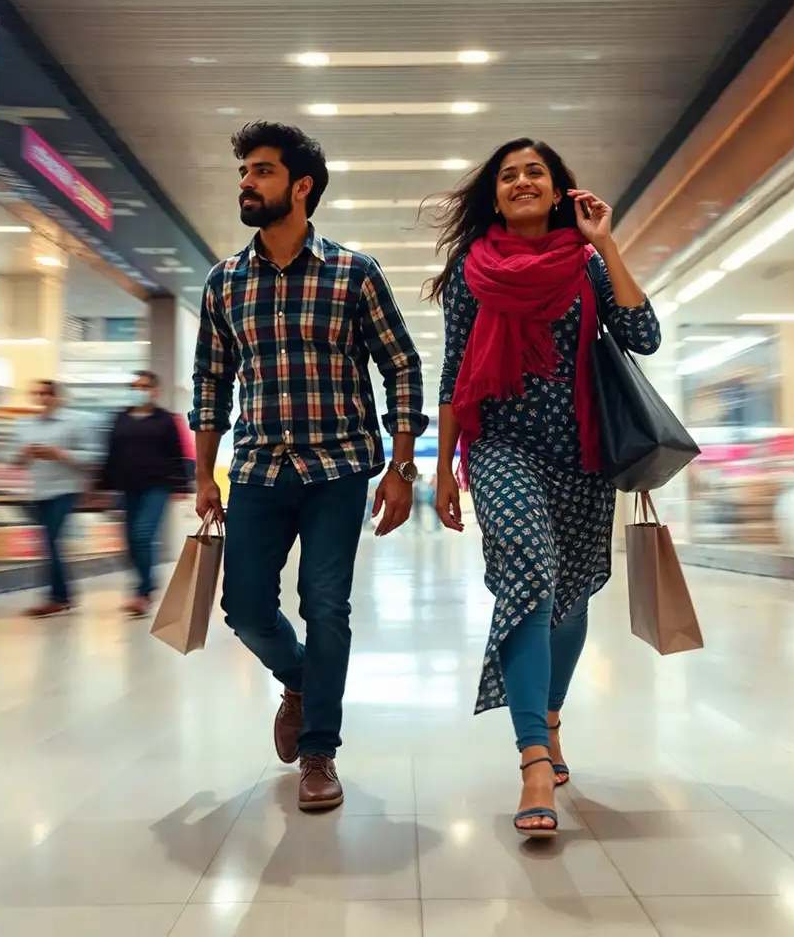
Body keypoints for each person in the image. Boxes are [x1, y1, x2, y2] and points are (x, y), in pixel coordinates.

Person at [191, 121, 427, 812]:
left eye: (261, 171)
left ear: (301, 187)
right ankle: (299, 680)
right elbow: (210, 381)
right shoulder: (225, 281)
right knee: (244, 609)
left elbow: (401, 365)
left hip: (338, 468)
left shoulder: (354, 273)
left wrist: (402, 468)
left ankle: (319, 749)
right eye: (243, 172)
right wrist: (203, 474)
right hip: (257, 470)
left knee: (326, 606)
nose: (246, 183)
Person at [430, 139, 661, 837]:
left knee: (572, 593)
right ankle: (533, 756)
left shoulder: (587, 263)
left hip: (583, 453)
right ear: (496, 196)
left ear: (559, 191)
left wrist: (606, 242)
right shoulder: (471, 271)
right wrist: (443, 470)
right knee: (530, 574)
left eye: (536, 172)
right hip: (500, 448)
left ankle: (551, 717)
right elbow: (453, 375)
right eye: (509, 175)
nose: (522, 181)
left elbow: (643, 334)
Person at [99, 370, 188, 617]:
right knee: (130, 541)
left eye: (145, 386)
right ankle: (144, 584)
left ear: (155, 391)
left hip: (156, 486)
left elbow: (176, 453)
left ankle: (144, 591)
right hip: (127, 487)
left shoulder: (165, 419)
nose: (140, 391)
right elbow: (110, 453)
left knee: (143, 534)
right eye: (135, 386)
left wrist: (181, 485)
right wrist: (101, 487)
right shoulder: (120, 418)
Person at [18, 380, 94, 617]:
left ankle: (58, 596)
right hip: (38, 490)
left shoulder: (75, 422)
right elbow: (12, 458)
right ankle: (62, 594)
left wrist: (60, 454)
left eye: (47, 393)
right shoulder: (26, 425)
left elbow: (92, 456)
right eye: (38, 393)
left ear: (58, 397)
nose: (42, 398)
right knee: (49, 543)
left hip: (65, 489)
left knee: (51, 540)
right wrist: (24, 455)